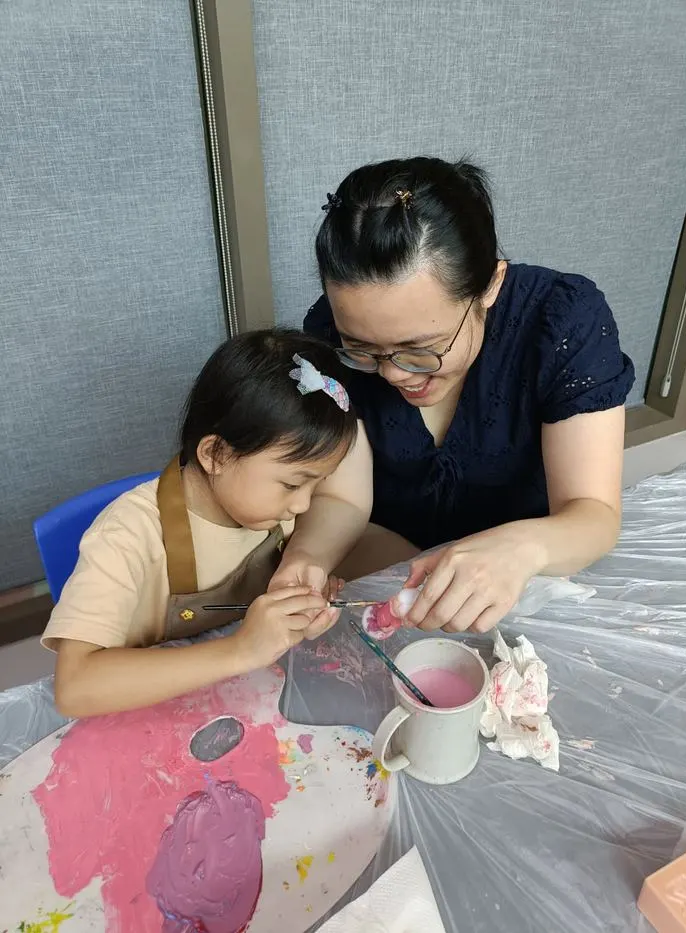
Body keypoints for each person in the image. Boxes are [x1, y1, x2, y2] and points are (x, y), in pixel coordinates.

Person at [305, 156, 635, 635]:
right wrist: (309, 560)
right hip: (385, 563)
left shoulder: (561, 320)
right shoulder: (326, 333)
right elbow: (345, 499)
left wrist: (523, 548)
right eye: (364, 349)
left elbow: (594, 515)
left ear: (489, 286)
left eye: (421, 350)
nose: (394, 374)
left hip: (524, 577)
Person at [42, 330, 372, 717]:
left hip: (243, 703)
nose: (302, 505)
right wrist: (241, 649)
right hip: (144, 716)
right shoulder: (127, 537)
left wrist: (294, 606)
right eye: (293, 483)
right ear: (215, 453)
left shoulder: (267, 507)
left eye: (317, 483)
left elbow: (340, 494)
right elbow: (75, 687)